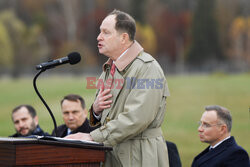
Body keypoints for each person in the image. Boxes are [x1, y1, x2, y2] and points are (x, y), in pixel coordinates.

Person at [65, 9, 170, 167]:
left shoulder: (147, 68)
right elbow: (102, 119)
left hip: (139, 156)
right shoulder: (110, 68)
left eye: (106, 32)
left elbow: (136, 119)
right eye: (100, 32)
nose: (98, 37)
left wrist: (93, 137)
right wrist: (96, 111)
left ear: (124, 38)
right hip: (112, 152)